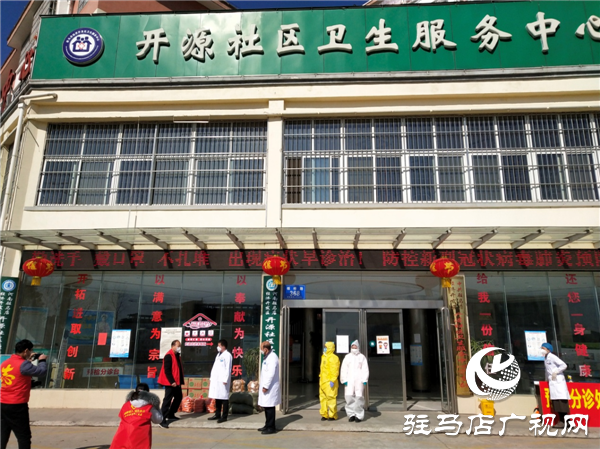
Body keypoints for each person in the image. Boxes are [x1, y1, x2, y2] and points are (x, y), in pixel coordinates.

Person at [1, 339, 48, 449]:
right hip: (17, 405)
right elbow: (42, 371)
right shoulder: (24, 365)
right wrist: (42, 361)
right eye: (30, 350)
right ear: (26, 350)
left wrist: (28, 361)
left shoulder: (5, 363)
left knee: (3, 433)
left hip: (3, 403)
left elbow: (17, 378)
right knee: (23, 436)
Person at [110, 383, 163, 449]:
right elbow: (158, 420)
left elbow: (122, 417)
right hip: (141, 438)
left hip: (124, 436)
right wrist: (157, 407)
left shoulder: (126, 405)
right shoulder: (150, 407)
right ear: (148, 393)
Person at [541, 342, 570, 428]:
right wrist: (546, 380)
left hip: (558, 381)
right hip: (552, 382)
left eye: (543, 348)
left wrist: (556, 372)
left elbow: (564, 365)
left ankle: (564, 421)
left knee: (561, 402)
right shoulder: (546, 358)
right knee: (556, 402)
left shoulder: (552, 357)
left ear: (548, 349)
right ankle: (564, 421)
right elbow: (547, 371)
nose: (542, 350)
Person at [340, 340, 369, 423]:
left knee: (359, 397)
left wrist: (364, 379)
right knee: (349, 397)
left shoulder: (362, 357)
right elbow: (344, 369)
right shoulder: (347, 357)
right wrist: (344, 379)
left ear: (358, 347)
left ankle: (359, 415)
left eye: (355, 346)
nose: (354, 347)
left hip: (359, 380)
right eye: (352, 346)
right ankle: (351, 414)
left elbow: (365, 369)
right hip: (349, 380)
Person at [157, 340, 184, 428]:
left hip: (176, 382)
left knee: (178, 397)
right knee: (167, 400)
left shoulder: (177, 356)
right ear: (173, 346)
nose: (179, 347)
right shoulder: (169, 356)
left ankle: (171, 414)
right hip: (170, 382)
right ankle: (162, 419)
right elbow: (167, 370)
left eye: (180, 346)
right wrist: (172, 381)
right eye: (178, 346)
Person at [257, 341, 280, 435]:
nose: (261, 350)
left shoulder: (272, 357)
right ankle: (267, 425)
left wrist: (266, 386)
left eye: (262, 349)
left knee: (270, 407)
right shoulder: (267, 356)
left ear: (266, 349)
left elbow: (271, 374)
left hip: (270, 387)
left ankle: (271, 427)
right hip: (267, 386)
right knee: (267, 407)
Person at [207, 339, 232, 423]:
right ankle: (217, 414)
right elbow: (215, 368)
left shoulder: (227, 355)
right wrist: (212, 378)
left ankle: (224, 416)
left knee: (224, 398)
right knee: (217, 397)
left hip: (223, 380)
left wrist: (225, 379)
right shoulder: (218, 355)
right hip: (217, 380)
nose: (218, 347)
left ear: (223, 346)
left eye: (219, 345)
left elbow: (228, 368)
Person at [319, 341, 340, 421]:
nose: (325, 348)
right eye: (324, 347)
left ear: (330, 348)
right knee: (323, 398)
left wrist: (332, 380)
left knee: (331, 398)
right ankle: (324, 414)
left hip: (329, 382)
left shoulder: (334, 358)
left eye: (326, 347)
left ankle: (332, 415)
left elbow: (335, 370)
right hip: (323, 381)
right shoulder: (324, 357)